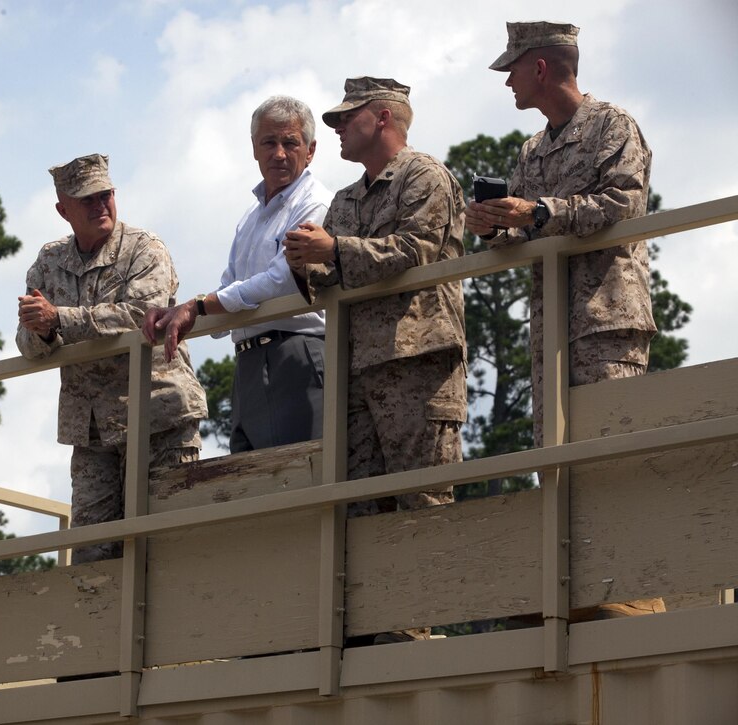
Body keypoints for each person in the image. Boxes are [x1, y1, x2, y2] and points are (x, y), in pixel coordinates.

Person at [466, 22, 663, 621]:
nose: (508, 81)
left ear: (542, 68)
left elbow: (624, 202)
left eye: (514, 68)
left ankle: (633, 591)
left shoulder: (612, 127)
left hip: (606, 316)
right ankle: (575, 590)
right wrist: (493, 225)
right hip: (552, 328)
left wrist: (541, 210)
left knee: (610, 452)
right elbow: (520, 228)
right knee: (556, 454)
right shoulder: (532, 151)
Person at [283, 77, 467, 629]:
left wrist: (332, 250)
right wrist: (304, 263)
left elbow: (415, 250)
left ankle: (421, 632)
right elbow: (328, 276)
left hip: (418, 363)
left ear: (383, 117)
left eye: (347, 118)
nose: (337, 128)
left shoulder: (424, 176)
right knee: (363, 511)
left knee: (422, 501)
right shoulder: (345, 200)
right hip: (358, 368)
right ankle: (376, 633)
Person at [16, 153, 207, 564]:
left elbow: (145, 314)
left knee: (166, 547)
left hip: (159, 416)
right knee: (92, 555)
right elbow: (27, 343)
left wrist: (60, 319)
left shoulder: (145, 248)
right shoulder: (49, 263)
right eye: (87, 199)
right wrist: (45, 330)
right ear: (62, 210)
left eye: (106, 195)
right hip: (92, 431)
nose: (100, 204)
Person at [142, 96, 333, 453]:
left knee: (293, 482)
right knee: (252, 490)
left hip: (294, 355)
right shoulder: (250, 218)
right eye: (269, 142)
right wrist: (181, 313)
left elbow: (280, 281)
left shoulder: (315, 203)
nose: (279, 153)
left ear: (310, 151)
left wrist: (199, 307)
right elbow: (230, 287)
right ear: (254, 149)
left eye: (290, 143)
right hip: (247, 362)